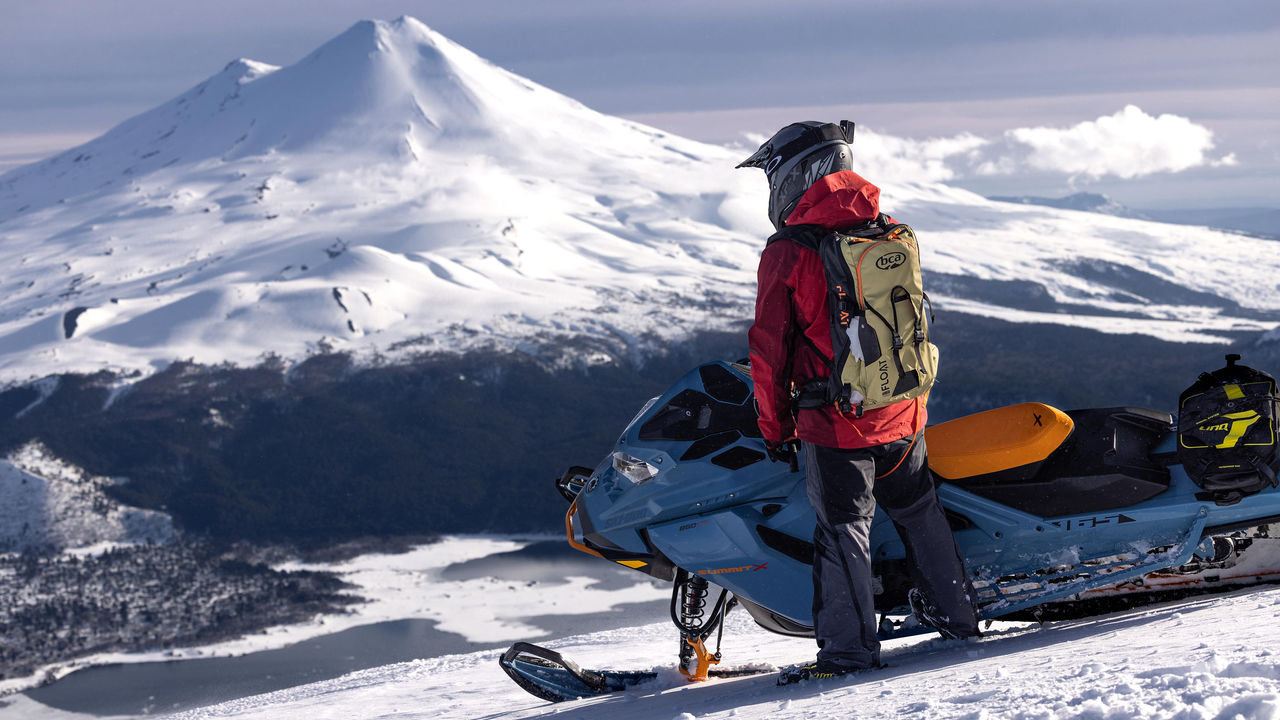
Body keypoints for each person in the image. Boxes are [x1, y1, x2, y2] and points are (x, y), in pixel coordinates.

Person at [737, 121, 979, 685]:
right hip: (904, 410)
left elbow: (770, 349)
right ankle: (959, 620)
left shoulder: (790, 250)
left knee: (843, 531)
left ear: (794, 176)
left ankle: (847, 657)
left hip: (837, 424)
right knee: (921, 514)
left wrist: (774, 428)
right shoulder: (890, 229)